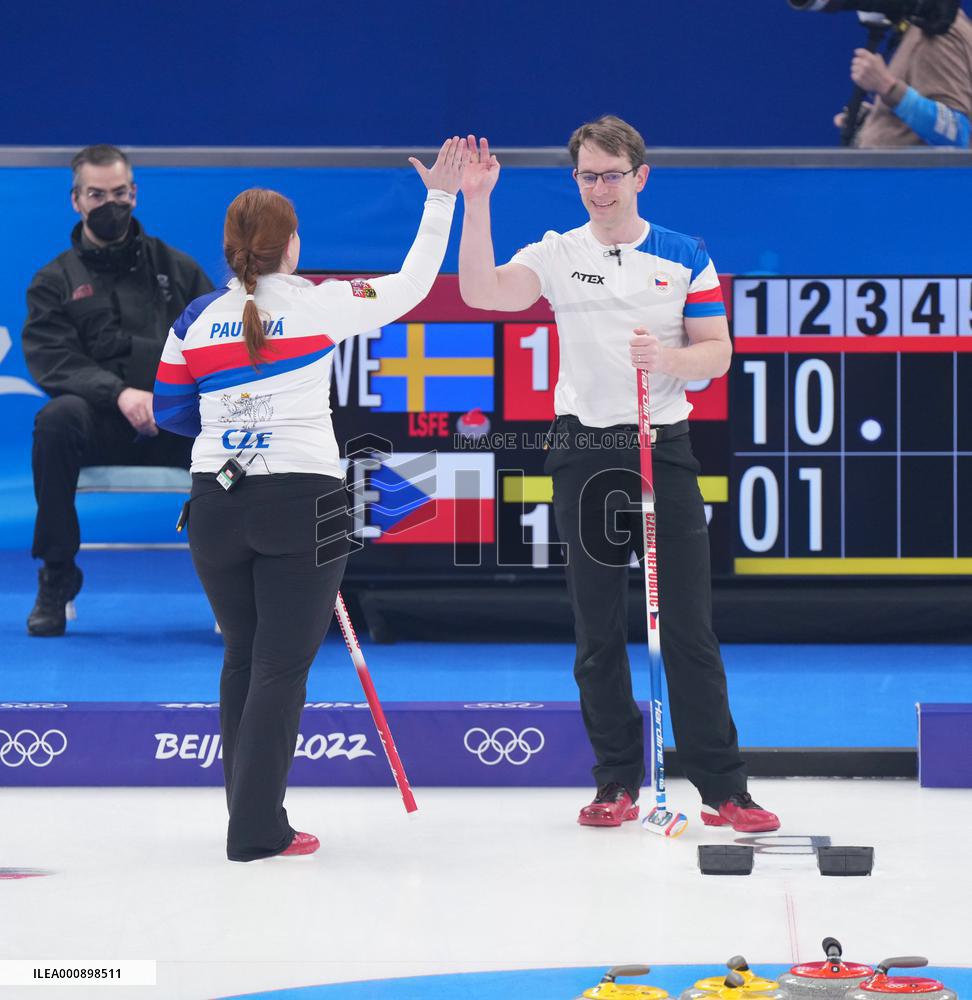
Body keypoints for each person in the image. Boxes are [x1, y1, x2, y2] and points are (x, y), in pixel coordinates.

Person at [457, 118, 780, 834]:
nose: (599, 190)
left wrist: (665, 362)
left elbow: (718, 352)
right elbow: (482, 292)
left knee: (688, 625)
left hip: (660, 448)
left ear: (641, 175)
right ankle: (615, 781)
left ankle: (726, 788)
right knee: (597, 625)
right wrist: (475, 203)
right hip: (585, 451)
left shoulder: (683, 256)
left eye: (611, 175)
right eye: (586, 176)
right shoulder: (556, 252)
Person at [153, 137, 467, 862]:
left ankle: (250, 812)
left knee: (243, 656)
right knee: (278, 667)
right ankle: (256, 828)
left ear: (231, 249)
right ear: (291, 246)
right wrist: (442, 198)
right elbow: (414, 284)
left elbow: (171, 413)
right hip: (303, 504)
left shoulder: (194, 319)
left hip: (215, 503)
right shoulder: (324, 304)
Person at [22, 144, 214, 637]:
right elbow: (54, 360)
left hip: (176, 422)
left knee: (236, 431)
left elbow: (218, 344)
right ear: (76, 200)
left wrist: (169, 397)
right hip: (102, 421)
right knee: (55, 421)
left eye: (119, 193)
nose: (110, 204)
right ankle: (57, 576)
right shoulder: (53, 281)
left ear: (134, 192)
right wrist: (120, 394)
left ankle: (232, 582)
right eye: (97, 194)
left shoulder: (181, 270)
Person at [838, 4, 972, 147]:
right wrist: (873, 118)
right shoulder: (926, 24)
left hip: (912, 169)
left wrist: (887, 87)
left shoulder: (938, 29)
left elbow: (958, 132)